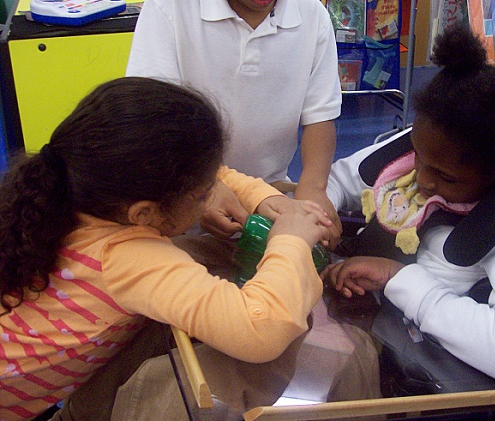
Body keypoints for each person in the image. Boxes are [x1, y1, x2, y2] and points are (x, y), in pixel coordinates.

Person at [0, 77, 332, 421]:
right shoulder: (128, 257)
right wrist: (289, 240)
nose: (215, 193)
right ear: (144, 213)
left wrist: (261, 196)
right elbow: (260, 330)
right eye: (204, 193)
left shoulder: (73, 187)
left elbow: (212, 172)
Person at [322, 26, 495, 386]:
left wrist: (397, 278)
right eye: (418, 158)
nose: (424, 181)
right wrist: (319, 211)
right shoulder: (438, 142)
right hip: (366, 319)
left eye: (445, 179)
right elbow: (341, 180)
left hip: (433, 369)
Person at [126, 0, 343, 246]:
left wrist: (313, 190)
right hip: (179, 195)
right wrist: (205, 189)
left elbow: (320, 117)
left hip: (270, 194)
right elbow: (154, 118)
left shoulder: (312, 16)